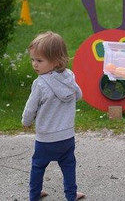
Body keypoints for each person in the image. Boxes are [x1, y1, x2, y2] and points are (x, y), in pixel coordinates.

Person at [22, 31, 85, 201]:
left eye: (39, 60)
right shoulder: (69, 76)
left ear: (56, 61)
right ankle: (71, 195)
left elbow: (30, 108)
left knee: (38, 166)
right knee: (69, 165)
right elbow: (79, 95)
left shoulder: (40, 83)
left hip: (45, 138)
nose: (35, 64)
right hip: (66, 136)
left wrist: (26, 122)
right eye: (33, 60)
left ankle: (34, 195)